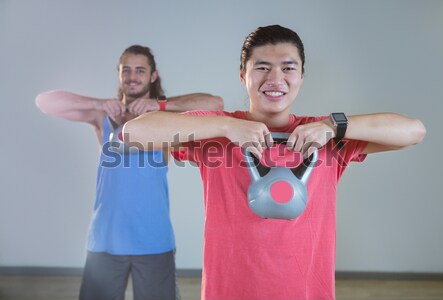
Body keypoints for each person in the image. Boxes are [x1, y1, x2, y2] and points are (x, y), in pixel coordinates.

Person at [123, 25, 426, 300]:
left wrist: (334, 127)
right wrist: (227, 127)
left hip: (308, 293)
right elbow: (134, 132)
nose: (275, 79)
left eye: (288, 68)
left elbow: (413, 131)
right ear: (243, 75)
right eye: (262, 67)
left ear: (302, 76)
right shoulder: (215, 128)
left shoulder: (325, 136)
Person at [35, 44, 223, 300]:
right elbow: (44, 102)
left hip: (153, 240)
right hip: (105, 240)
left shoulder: (164, 119)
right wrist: (100, 102)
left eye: (139, 70)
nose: (132, 77)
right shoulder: (101, 115)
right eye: (126, 70)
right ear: (119, 74)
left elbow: (215, 103)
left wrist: (158, 105)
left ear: (152, 76)